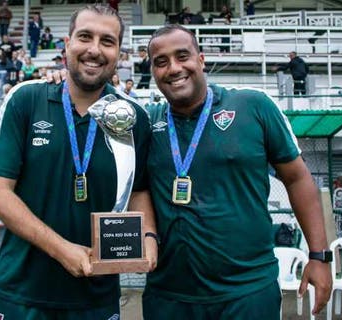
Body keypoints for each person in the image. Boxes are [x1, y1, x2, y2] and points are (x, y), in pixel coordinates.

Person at [140, 24, 332, 319]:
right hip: (170, 296)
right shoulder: (147, 123)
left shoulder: (253, 106)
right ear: (152, 71)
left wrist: (319, 256)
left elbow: (297, 178)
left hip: (247, 292)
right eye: (161, 62)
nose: (174, 68)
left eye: (182, 56)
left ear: (201, 60)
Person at [0, 5, 157, 320]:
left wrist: (148, 237)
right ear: (66, 43)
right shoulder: (25, 100)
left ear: (119, 52)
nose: (94, 49)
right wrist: (62, 249)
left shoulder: (134, 117)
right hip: (23, 295)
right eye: (85, 37)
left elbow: (138, 190)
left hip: (96, 297)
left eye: (107, 41)